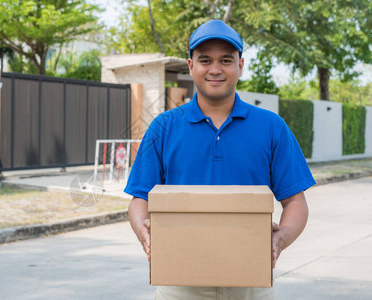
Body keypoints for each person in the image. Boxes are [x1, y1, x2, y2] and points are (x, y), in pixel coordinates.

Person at [124, 20, 316, 300]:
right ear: (191, 66)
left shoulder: (271, 127)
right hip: (180, 282)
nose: (215, 69)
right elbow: (140, 197)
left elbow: (296, 201)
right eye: (205, 60)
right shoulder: (164, 128)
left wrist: (281, 238)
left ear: (241, 65)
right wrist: (143, 229)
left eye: (226, 60)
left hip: (251, 282)